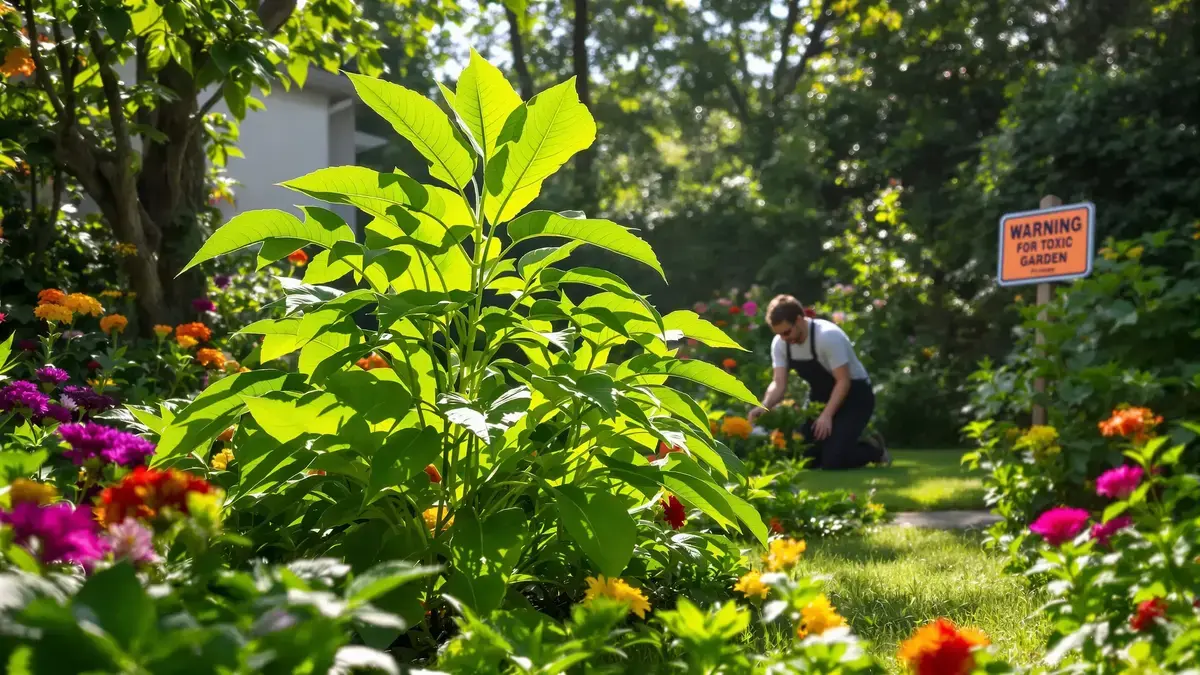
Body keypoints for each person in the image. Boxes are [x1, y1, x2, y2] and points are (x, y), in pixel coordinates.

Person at [747, 294, 890, 470]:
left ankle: (875, 449)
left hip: (855, 396)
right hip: (820, 397)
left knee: (833, 461)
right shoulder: (780, 343)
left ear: (799, 320)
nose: (784, 339)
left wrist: (827, 415)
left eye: (786, 332)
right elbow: (779, 383)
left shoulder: (828, 336)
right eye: (779, 334)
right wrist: (764, 405)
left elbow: (843, 381)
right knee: (804, 457)